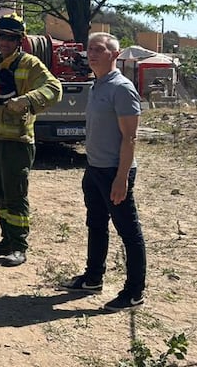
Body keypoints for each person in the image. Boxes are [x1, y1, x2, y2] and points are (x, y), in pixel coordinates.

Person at [63, 32, 147, 312]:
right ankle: (92, 278)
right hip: (95, 169)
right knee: (96, 224)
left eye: (99, 49)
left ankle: (134, 292)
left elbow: (130, 137)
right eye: (90, 49)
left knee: (129, 233)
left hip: (114, 171)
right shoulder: (97, 85)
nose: (92, 54)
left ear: (115, 54)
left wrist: (122, 178)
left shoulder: (121, 88)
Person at [0, 13, 63, 267]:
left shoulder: (30, 63)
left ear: (19, 40)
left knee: (16, 195)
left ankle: (19, 246)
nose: (4, 41)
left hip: (17, 140)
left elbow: (54, 88)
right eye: (1, 36)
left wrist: (26, 100)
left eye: (11, 38)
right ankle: (6, 239)